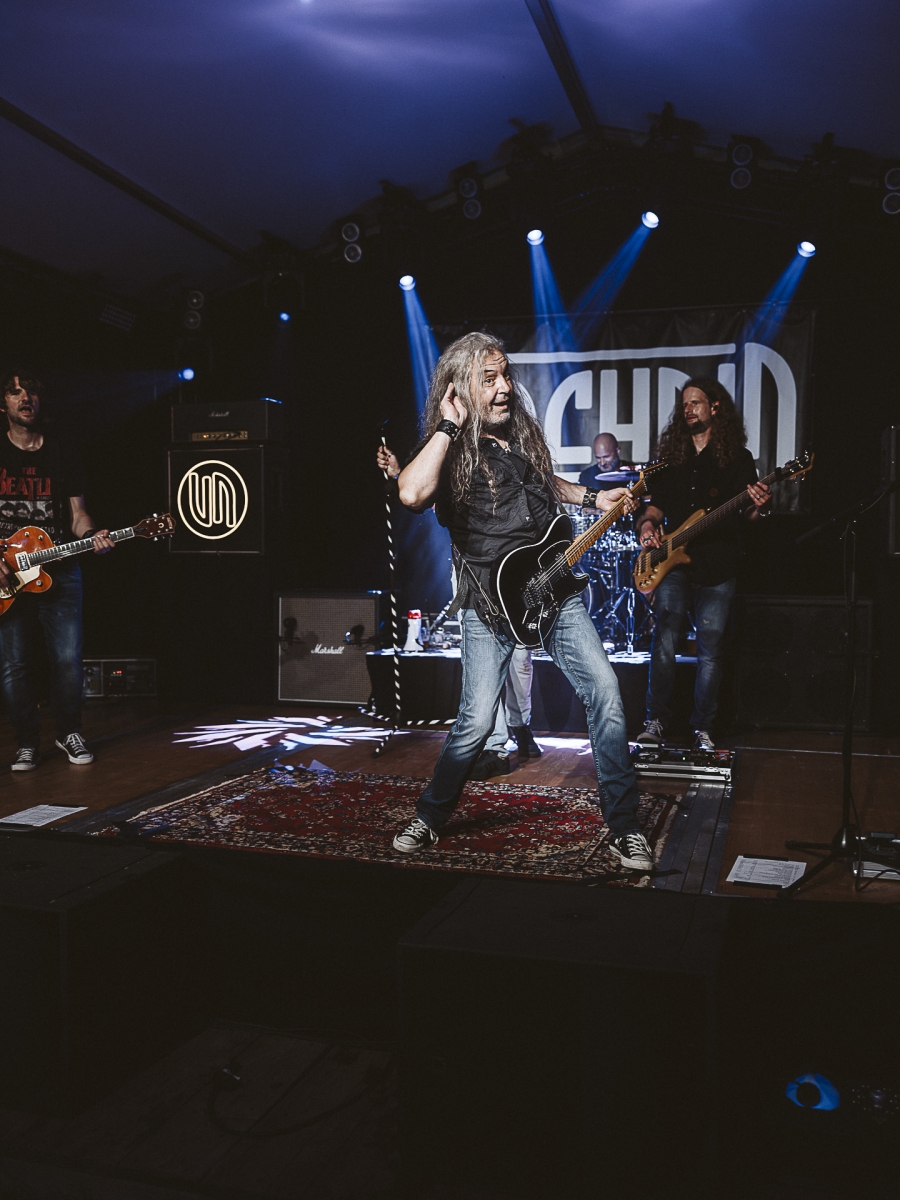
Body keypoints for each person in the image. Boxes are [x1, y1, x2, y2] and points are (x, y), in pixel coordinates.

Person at [388, 332, 653, 872]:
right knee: (475, 723)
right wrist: (448, 426)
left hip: (552, 590)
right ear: (460, 389)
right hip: (490, 607)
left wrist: (591, 496)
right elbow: (411, 494)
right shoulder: (450, 446)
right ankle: (430, 815)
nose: (505, 387)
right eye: (489, 379)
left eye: (505, 375)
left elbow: (542, 481)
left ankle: (624, 826)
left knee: (605, 691)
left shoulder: (519, 433)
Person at [376, 443, 542, 777]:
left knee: (520, 659)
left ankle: (520, 723)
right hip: (471, 569)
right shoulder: (448, 443)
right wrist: (398, 474)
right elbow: (421, 493)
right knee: (483, 659)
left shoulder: (504, 444)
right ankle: (495, 746)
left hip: (515, 565)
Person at [634, 377, 770, 752]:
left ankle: (703, 728)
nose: (688, 409)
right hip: (674, 564)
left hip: (719, 564)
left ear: (715, 407)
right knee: (664, 637)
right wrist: (647, 526)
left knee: (711, 649)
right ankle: (656, 721)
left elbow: (750, 514)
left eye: (696, 402)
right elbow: (654, 508)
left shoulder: (737, 459)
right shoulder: (672, 461)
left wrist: (761, 506)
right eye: (685, 404)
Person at [0, 371, 114, 771]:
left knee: (67, 658)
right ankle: (27, 743)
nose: (24, 398)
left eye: (30, 391)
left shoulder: (63, 451)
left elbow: (78, 515)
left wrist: (94, 535)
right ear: (4, 403)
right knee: (14, 664)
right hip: (7, 574)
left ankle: (68, 732)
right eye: (15, 392)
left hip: (60, 569)